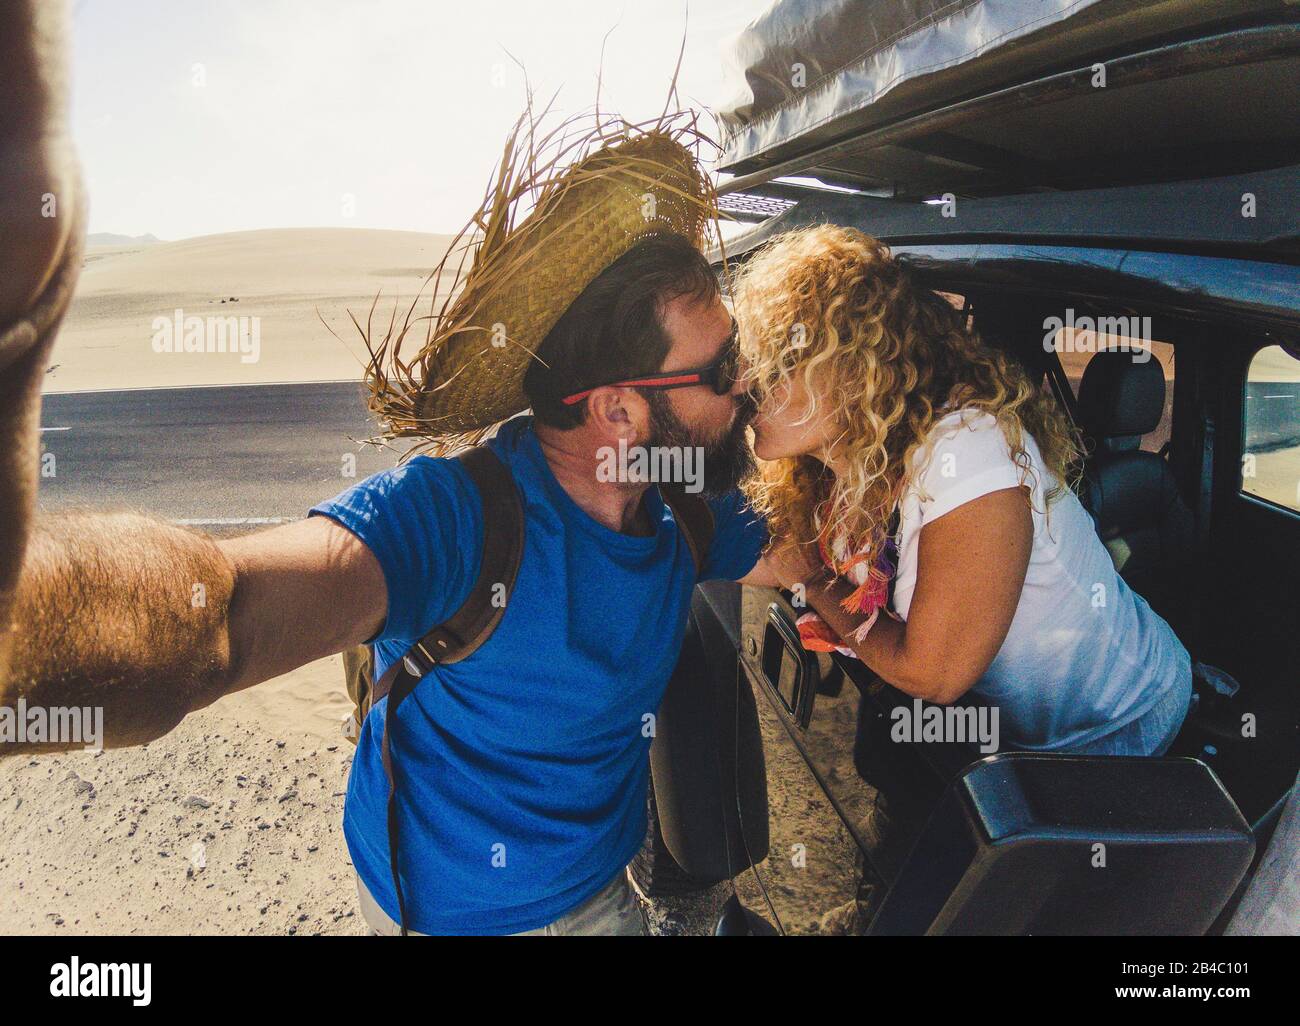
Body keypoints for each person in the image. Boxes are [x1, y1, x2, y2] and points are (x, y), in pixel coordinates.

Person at [0, 87, 779, 933]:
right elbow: (222, 616)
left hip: (603, 882)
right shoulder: (457, 523)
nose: (747, 379)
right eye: (723, 365)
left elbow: (811, 559)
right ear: (619, 411)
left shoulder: (688, 507)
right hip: (447, 915)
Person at [743, 224, 1193, 757]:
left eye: (778, 363)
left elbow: (934, 674)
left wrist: (816, 581)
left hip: (1123, 718)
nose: (747, 382)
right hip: (1030, 739)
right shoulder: (835, 463)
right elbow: (769, 556)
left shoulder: (965, 448)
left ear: (850, 370)